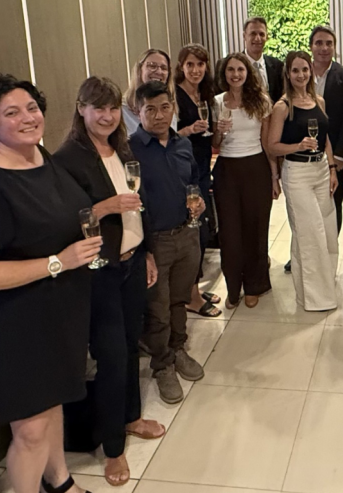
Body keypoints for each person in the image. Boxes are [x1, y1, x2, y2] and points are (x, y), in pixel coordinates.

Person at [0, 73, 101, 493]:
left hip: (56, 312)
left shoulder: (41, 159)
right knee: (30, 431)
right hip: (11, 325)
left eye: (32, 107)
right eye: (12, 113)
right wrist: (59, 262)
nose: (28, 117)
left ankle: (60, 482)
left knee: (53, 406)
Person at [54, 76, 166, 487]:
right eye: (97, 108)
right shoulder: (68, 159)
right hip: (99, 272)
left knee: (131, 344)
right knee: (112, 356)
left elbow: (140, 205)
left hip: (132, 263)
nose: (106, 116)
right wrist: (105, 207)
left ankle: (131, 416)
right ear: (81, 109)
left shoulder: (122, 148)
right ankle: (113, 448)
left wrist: (147, 251)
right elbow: (63, 221)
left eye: (113, 108)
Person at [130, 81, 207, 405]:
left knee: (179, 299)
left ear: (173, 108)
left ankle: (178, 348)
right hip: (156, 241)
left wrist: (199, 200)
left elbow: (194, 180)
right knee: (157, 308)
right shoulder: (130, 150)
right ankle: (161, 364)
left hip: (187, 234)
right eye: (150, 109)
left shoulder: (182, 144)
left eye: (164, 108)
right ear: (138, 112)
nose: (159, 115)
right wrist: (144, 248)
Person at [266, 51, 339, 311]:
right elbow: (272, 146)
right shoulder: (282, 106)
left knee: (327, 231)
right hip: (297, 173)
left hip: (321, 170)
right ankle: (315, 299)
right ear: (288, 73)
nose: (301, 75)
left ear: (311, 71)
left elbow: (325, 139)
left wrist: (332, 168)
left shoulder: (319, 101)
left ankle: (322, 286)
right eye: (295, 70)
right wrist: (298, 145)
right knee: (310, 233)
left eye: (305, 69)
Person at [211, 53, 275, 310]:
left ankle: (254, 285)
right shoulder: (217, 102)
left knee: (256, 229)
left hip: (256, 167)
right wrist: (219, 131)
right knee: (230, 233)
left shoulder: (261, 101)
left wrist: (274, 176)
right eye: (231, 70)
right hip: (227, 169)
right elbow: (215, 144)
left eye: (240, 69)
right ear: (224, 74)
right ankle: (233, 287)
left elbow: (267, 143)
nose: (235, 74)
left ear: (248, 73)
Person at [174, 43, 222, 318]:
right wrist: (189, 129)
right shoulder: (174, 96)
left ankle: (192, 288)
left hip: (202, 169)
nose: (195, 70)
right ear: (181, 67)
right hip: (184, 172)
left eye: (200, 64)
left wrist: (219, 131)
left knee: (202, 229)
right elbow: (167, 136)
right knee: (193, 232)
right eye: (190, 64)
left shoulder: (205, 95)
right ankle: (189, 296)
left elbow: (213, 138)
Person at [309, 26, 343, 238]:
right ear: (311, 46)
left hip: (334, 155)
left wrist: (340, 155)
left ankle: (330, 248)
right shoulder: (301, 73)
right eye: (319, 43)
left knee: (331, 204)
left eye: (329, 43)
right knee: (306, 206)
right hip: (303, 152)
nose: (324, 48)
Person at [123, 49, 176, 136]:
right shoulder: (122, 109)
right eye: (152, 66)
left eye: (164, 68)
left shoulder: (169, 104)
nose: (159, 72)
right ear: (139, 70)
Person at [242, 16, 284, 103]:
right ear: (244, 36)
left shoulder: (278, 66)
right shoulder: (233, 66)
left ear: (267, 37)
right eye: (253, 34)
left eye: (261, 34)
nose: (257, 38)